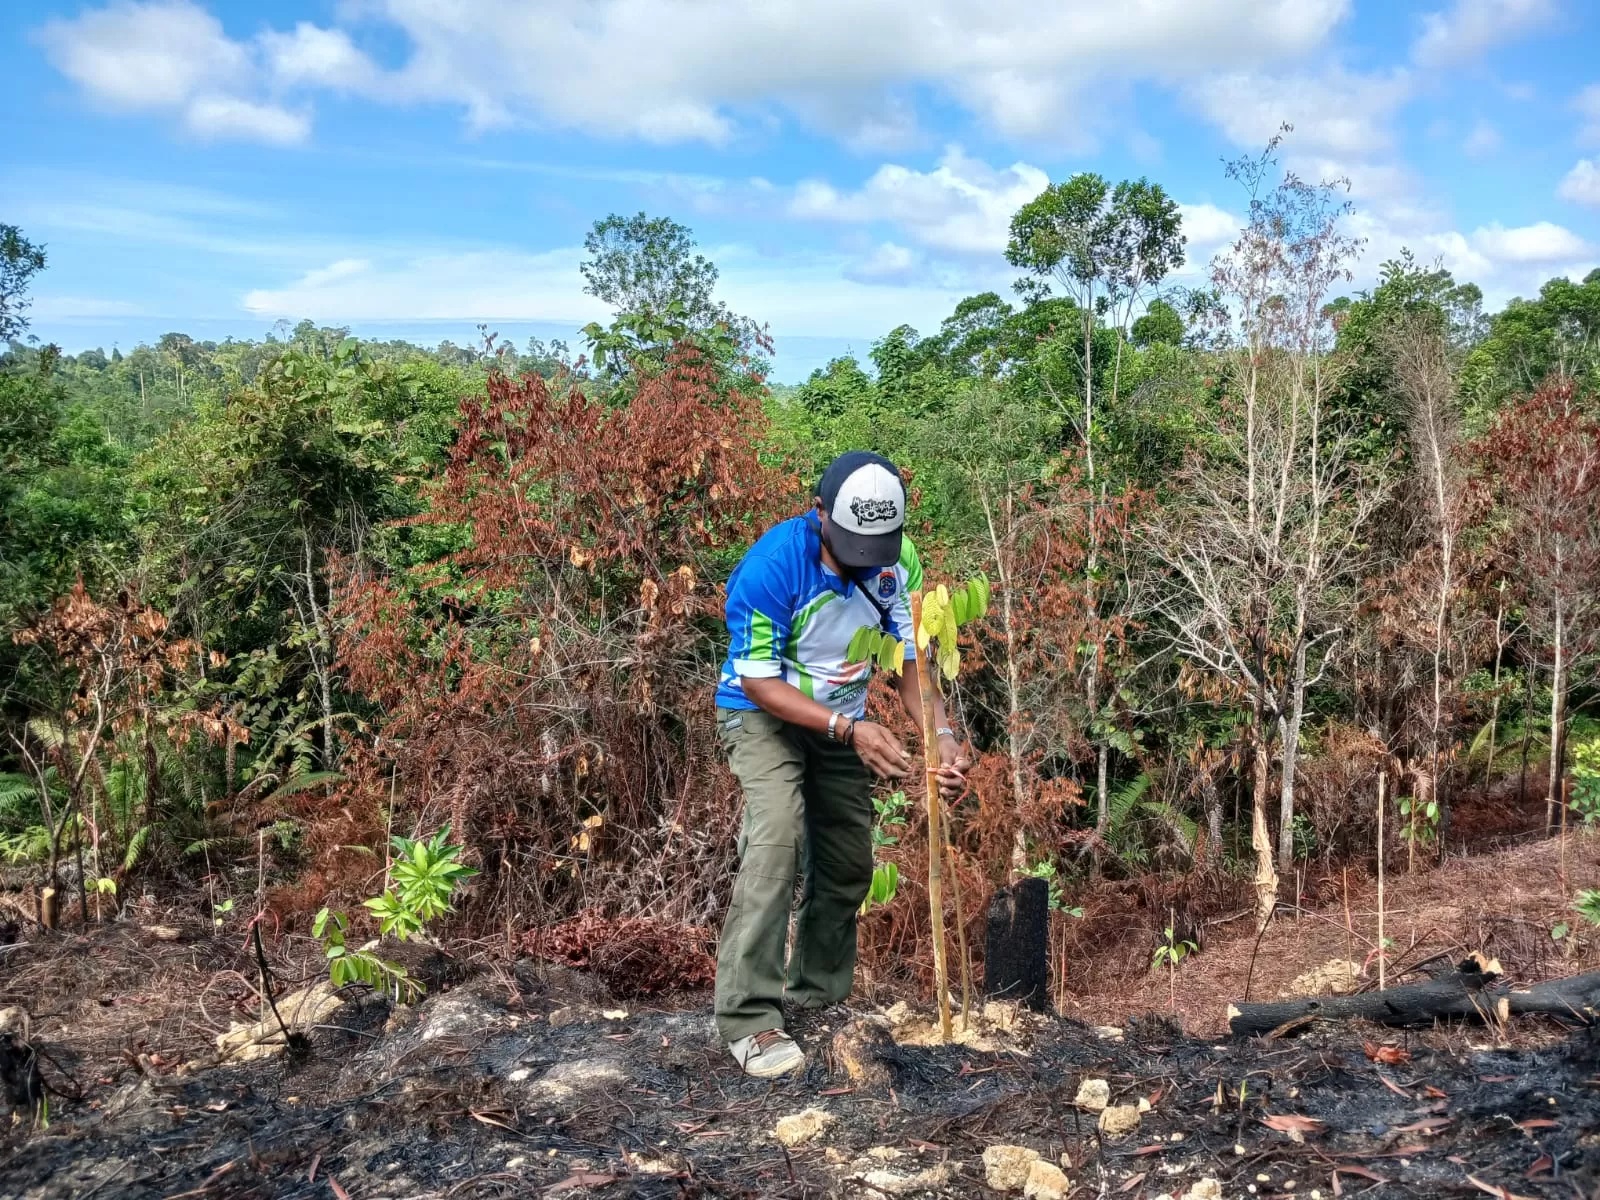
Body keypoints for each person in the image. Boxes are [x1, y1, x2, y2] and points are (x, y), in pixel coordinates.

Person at [712, 450, 970, 1077]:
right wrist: (847, 729)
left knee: (850, 859)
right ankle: (750, 1018)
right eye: (853, 542)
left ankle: (818, 996)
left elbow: (909, 662)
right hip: (764, 716)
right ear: (820, 513)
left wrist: (939, 732)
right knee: (776, 838)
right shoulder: (772, 568)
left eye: (878, 546)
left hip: (843, 721)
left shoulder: (894, 566)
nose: (866, 558)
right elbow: (758, 682)